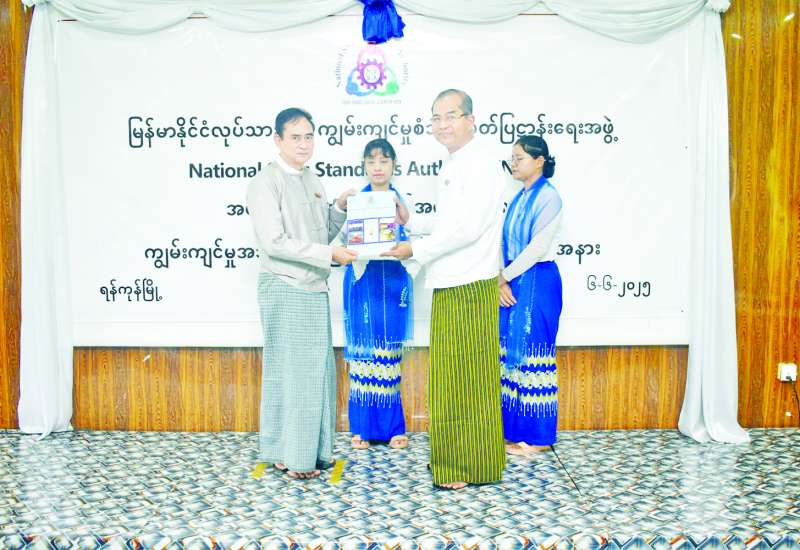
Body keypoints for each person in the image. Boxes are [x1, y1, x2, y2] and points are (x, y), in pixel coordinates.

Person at [383, 89, 506, 489]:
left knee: (463, 379)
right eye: (436, 118)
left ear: (471, 120)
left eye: (450, 116)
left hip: (468, 283)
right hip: (453, 281)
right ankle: (462, 461)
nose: (442, 125)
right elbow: (449, 223)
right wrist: (410, 224)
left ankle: (463, 467)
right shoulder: (455, 163)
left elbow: (467, 230)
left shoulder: (481, 164)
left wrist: (414, 249)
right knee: (455, 377)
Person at [247, 107, 357, 480]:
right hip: (286, 285)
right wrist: (330, 254)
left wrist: (339, 209)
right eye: (295, 137)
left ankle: (312, 453)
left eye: (309, 136)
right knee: (292, 374)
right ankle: (291, 456)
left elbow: (320, 232)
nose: (303, 144)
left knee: (315, 373)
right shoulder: (266, 182)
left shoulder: (311, 178)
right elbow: (273, 242)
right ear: (277, 140)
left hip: (313, 287)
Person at [344, 138, 413, 451]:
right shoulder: (356, 201)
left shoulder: (403, 204)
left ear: (394, 165)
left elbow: (416, 243)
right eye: (371, 161)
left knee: (389, 356)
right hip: (363, 281)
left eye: (384, 161)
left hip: (393, 283)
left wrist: (405, 225)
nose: (377, 167)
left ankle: (393, 428)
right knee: (364, 356)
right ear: (364, 165)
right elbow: (342, 242)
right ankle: (361, 428)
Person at [498, 135, 563, 455]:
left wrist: (503, 277)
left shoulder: (549, 197)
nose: (514, 163)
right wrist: (502, 280)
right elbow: (502, 242)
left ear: (539, 161)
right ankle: (514, 431)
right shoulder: (518, 197)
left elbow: (537, 248)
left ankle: (538, 438)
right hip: (512, 280)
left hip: (538, 280)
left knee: (534, 356)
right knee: (512, 354)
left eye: (520, 158)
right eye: (512, 157)